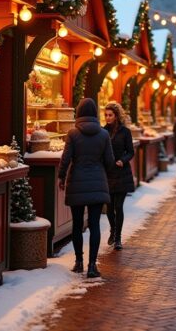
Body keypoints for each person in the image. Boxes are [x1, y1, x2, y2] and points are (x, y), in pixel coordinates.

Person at [58, 98, 115, 277]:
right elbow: (110, 161)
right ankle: (92, 266)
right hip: (97, 182)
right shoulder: (104, 135)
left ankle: (78, 262)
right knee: (94, 225)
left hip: (76, 182)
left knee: (77, 224)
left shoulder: (73, 134)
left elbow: (66, 158)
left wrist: (61, 176)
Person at [103, 102, 135, 251]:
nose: (108, 117)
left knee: (118, 206)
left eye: (110, 115)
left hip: (122, 173)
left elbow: (131, 151)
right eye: (106, 115)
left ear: (116, 116)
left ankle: (118, 238)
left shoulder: (125, 132)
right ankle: (112, 229)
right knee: (109, 208)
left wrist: (123, 160)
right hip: (108, 173)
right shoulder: (103, 131)